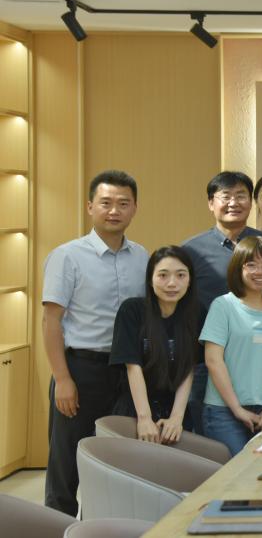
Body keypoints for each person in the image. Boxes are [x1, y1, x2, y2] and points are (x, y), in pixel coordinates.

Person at [41, 170, 148, 516]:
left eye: (123, 203)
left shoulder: (143, 257)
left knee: (112, 464)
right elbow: (51, 321)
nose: (114, 211)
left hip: (125, 372)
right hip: (80, 369)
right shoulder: (67, 256)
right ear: (90, 206)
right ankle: (57, 528)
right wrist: (63, 378)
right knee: (66, 463)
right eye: (105, 203)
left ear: (134, 208)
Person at [182, 171, 262, 434]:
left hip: (256, 362)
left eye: (241, 196)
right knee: (211, 444)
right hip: (206, 362)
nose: (234, 203)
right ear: (210, 203)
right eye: (225, 196)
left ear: (251, 202)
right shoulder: (191, 250)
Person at [200, 236, 262, 456]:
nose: (260, 271)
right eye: (251, 264)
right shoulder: (223, 306)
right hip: (224, 412)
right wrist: (237, 409)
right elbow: (213, 360)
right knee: (240, 470)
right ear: (238, 268)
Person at [110, 246, 201, 444]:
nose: (172, 283)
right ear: (150, 280)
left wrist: (176, 418)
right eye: (163, 275)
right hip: (135, 410)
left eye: (180, 275)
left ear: (190, 280)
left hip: (176, 411)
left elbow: (189, 369)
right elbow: (132, 367)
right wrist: (144, 419)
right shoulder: (132, 310)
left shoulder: (197, 313)